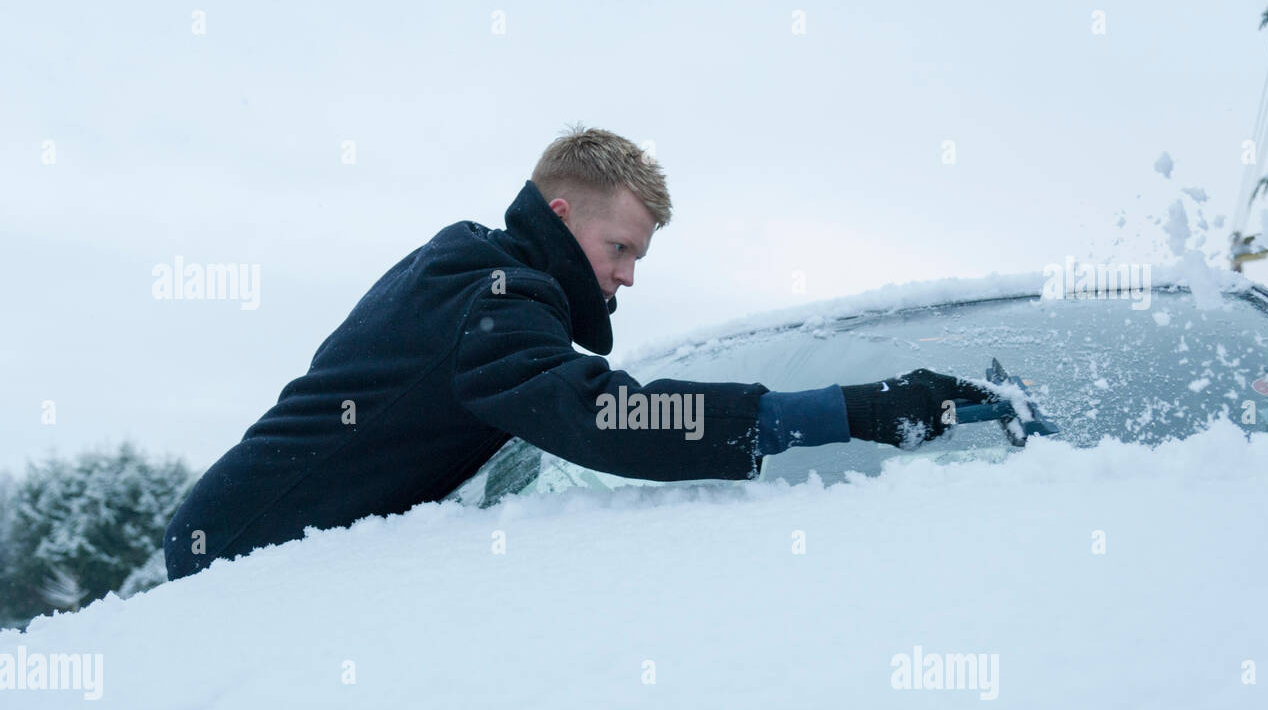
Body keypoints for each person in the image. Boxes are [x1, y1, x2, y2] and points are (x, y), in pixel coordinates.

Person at [163, 125, 996, 580]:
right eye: (621, 248)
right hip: (238, 559)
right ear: (560, 213)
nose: (627, 277)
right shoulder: (488, 294)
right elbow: (609, 416)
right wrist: (854, 410)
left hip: (264, 554)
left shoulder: (470, 267)